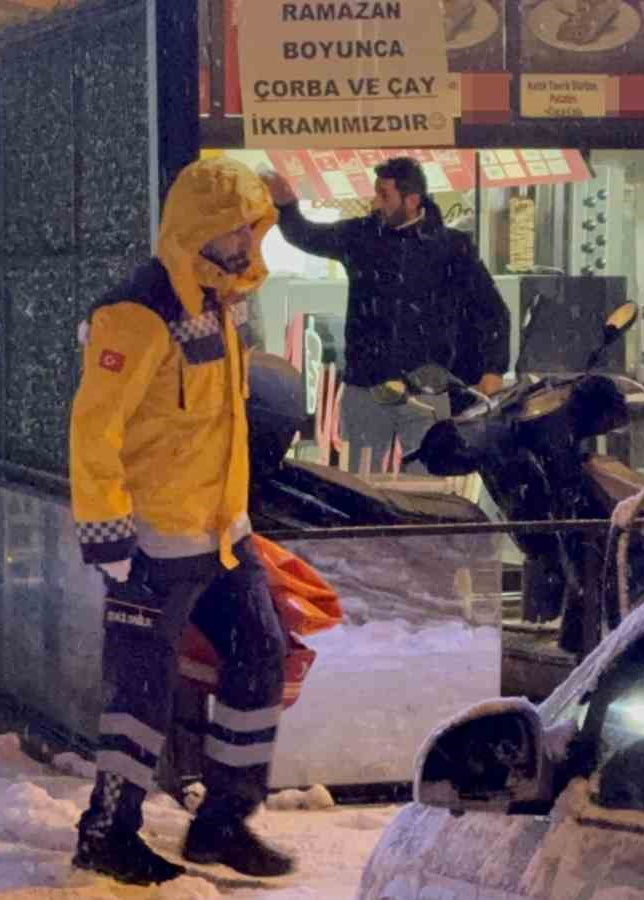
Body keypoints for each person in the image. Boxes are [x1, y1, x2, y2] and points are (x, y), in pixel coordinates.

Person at [67, 157, 293, 885]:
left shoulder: (217, 301)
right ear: (197, 229)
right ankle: (106, 832)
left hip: (224, 535)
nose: (245, 244)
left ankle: (223, 820)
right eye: (233, 229)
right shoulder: (137, 312)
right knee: (139, 696)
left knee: (260, 657)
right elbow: (94, 426)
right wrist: (106, 529)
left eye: (251, 229)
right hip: (154, 544)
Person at [261, 157, 511, 470]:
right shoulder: (361, 236)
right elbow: (307, 236)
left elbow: (492, 310)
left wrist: (493, 369)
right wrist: (287, 207)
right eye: (376, 193)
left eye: (384, 195)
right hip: (366, 385)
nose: (375, 202)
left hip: (428, 389)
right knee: (361, 485)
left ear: (412, 199)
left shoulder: (451, 247)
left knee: (428, 488)